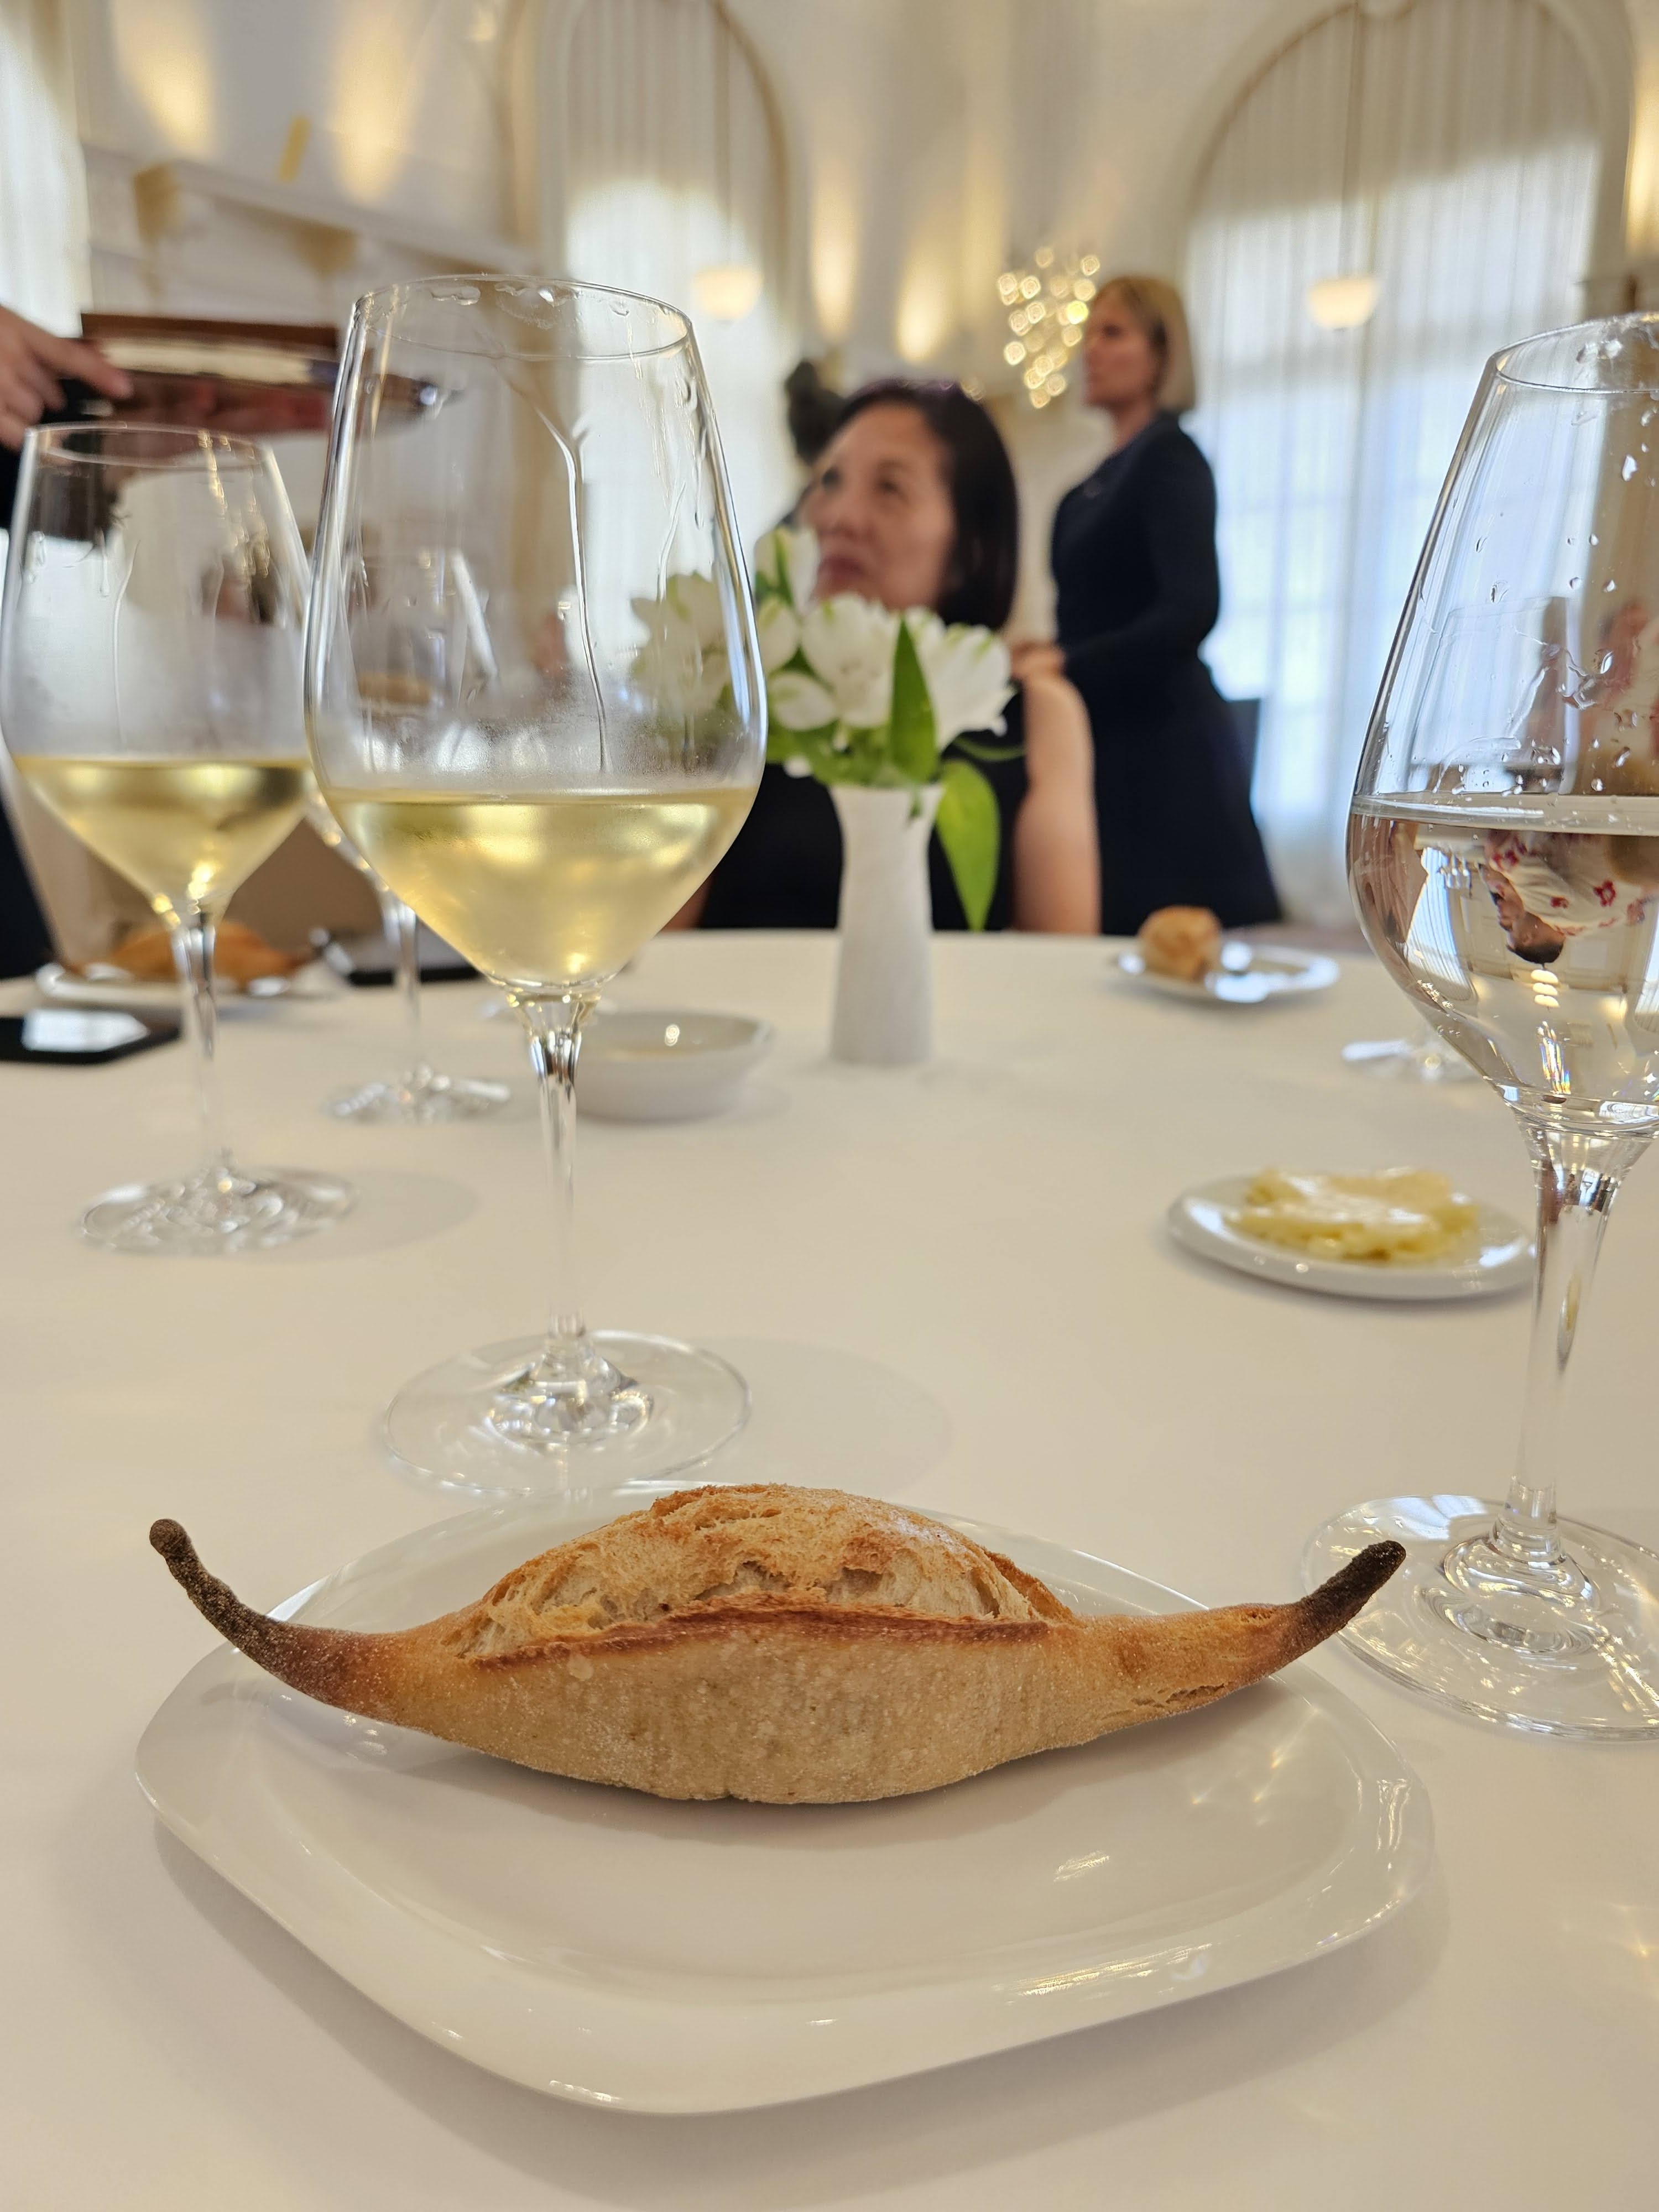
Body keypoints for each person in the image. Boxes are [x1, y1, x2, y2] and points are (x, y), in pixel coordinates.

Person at [695, 380, 1098, 933]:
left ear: (970, 550)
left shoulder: (1037, 717)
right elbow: (649, 946)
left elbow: (1060, 960)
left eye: (889, 488)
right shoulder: (742, 696)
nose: (839, 518)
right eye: (829, 481)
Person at [1014, 275, 1279, 936]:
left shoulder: (1170, 459)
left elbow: (1191, 610)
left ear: (1162, 354)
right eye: (1089, 334)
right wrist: (1046, 651)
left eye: (1113, 333)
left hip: (1161, 755)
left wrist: (1066, 663)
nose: (1091, 350)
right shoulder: (1093, 484)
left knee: (1172, 952)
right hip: (1103, 740)